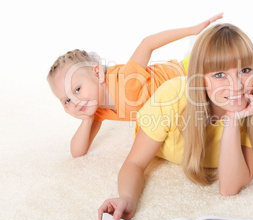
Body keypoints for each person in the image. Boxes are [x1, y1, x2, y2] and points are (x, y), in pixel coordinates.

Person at [98, 23, 253, 220]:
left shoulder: (248, 106)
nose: (236, 84)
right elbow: (135, 162)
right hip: (199, 106)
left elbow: (229, 188)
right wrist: (126, 198)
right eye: (219, 74)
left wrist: (234, 120)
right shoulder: (172, 96)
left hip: (243, 112)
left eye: (245, 70)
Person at [47, 13, 223, 157]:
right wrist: (86, 118)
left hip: (189, 71)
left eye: (77, 89)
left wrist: (193, 30)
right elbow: (77, 152)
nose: (75, 101)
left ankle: (200, 47)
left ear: (98, 73)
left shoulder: (125, 80)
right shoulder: (97, 109)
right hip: (181, 97)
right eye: (66, 101)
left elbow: (147, 43)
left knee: (228, 75)